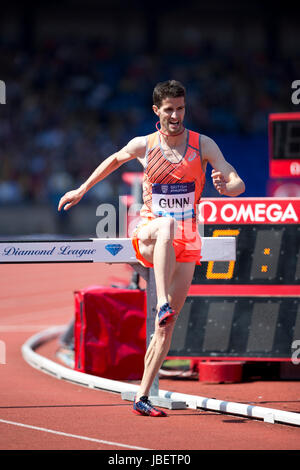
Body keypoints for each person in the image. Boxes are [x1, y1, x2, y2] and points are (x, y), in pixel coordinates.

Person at [58, 80, 245, 417]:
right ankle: (160, 302)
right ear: (157, 111)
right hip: (150, 233)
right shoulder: (145, 145)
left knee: (165, 327)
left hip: (187, 242)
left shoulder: (202, 145)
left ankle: (142, 396)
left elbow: (235, 180)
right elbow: (115, 160)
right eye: (169, 109)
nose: (176, 115)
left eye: (181, 108)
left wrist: (227, 186)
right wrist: (82, 189)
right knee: (166, 227)